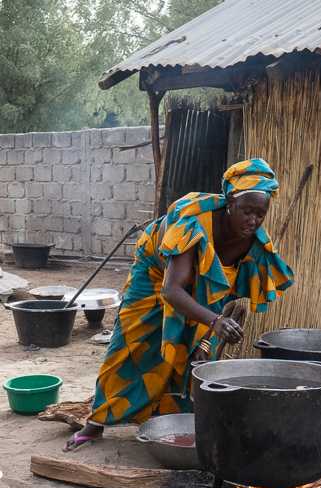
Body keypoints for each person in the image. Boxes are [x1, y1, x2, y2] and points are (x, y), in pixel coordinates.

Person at [62, 158, 294, 452]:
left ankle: (183, 423)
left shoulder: (255, 245)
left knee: (192, 356)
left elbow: (221, 295)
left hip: (190, 290)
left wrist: (207, 340)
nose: (253, 221)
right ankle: (95, 425)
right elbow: (172, 291)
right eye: (247, 211)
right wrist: (215, 322)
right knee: (129, 346)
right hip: (157, 274)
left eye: (261, 214)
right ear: (229, 203)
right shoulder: (194, 223)